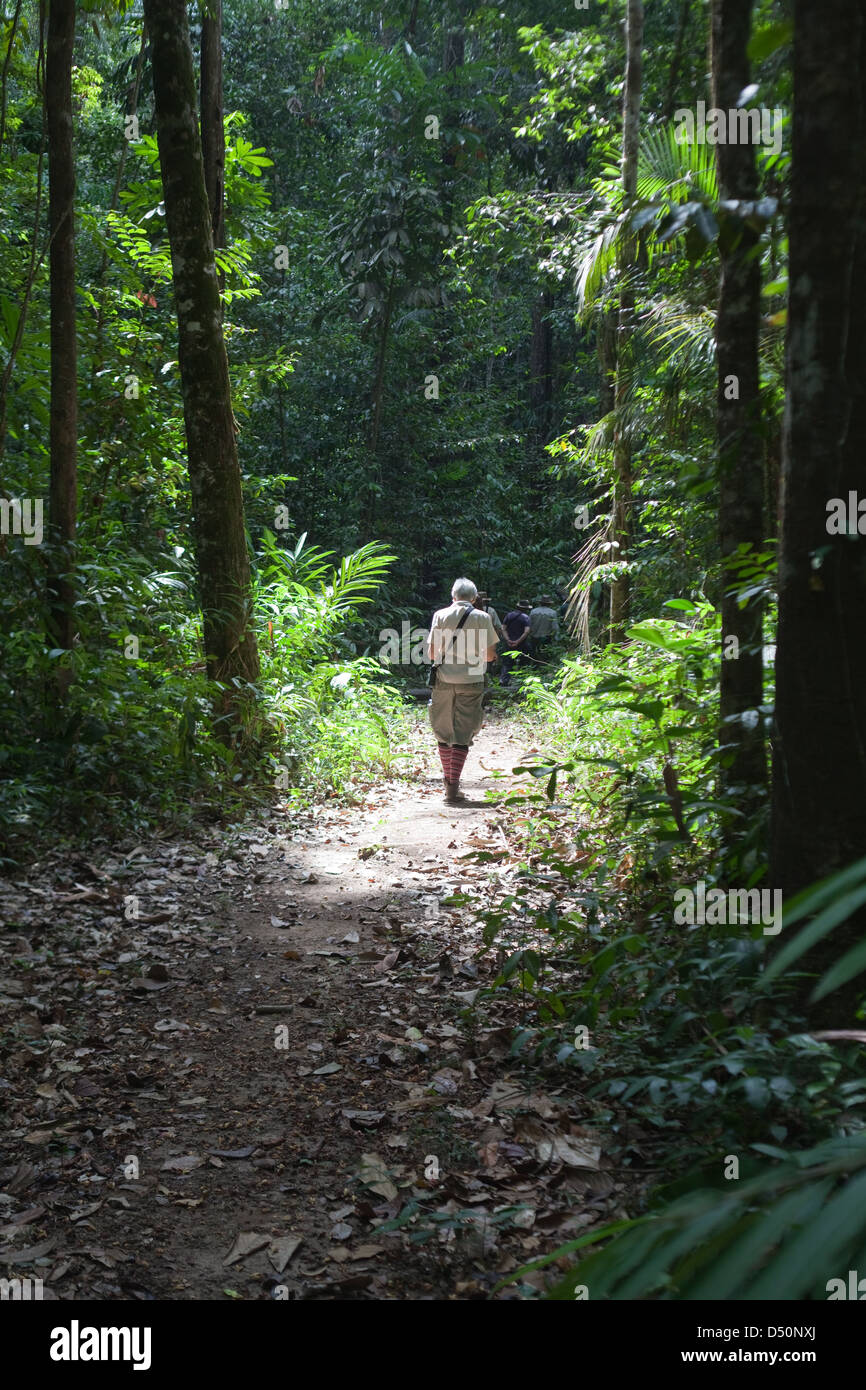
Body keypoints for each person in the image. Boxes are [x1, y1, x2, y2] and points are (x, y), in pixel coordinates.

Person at [426, 578, 497, 803]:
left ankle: (449, 784)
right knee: (462, 733)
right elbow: (489, 656)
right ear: (474, 598)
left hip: (443, 680)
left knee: (443, 731)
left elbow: (431, 654)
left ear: (453, 596)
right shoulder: (483, 617)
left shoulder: (440, 615)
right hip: (472, 681)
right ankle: (452, 787)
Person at [499, 600, 532, 686]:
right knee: (524, 661)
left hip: (509, 643)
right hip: (521, 644)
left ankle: (504, 681)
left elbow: (503, 628)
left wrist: (508, 640)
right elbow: (527, 631)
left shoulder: (509, 615)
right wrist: (517, 641)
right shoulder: (525, 617)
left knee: (507, 662)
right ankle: (521, 682)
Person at [529, 594, 560, 660]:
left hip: (534, 637)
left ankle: (533, 667)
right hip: (546, 637)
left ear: (540, 603)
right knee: (545, 655)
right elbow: (555, 627)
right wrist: (556, 638)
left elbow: (529, 625)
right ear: (549, 604)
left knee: (533, 655)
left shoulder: (533, 611)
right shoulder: (552, 613)